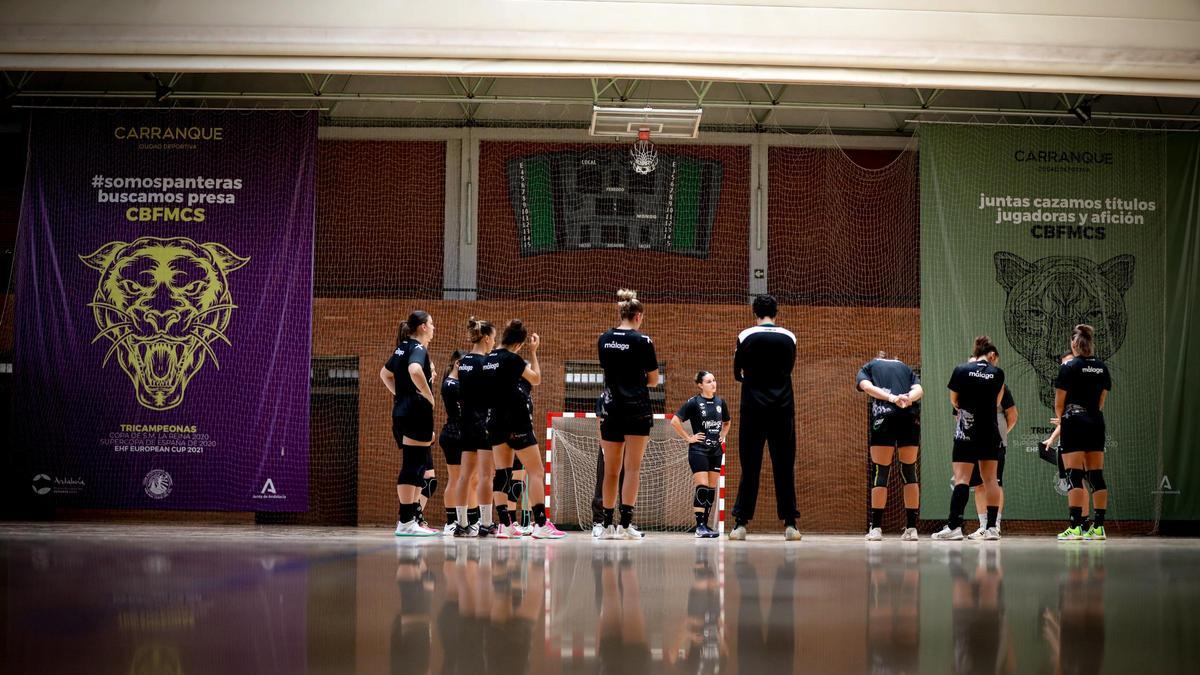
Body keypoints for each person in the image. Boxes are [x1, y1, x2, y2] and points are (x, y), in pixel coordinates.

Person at [729, 294, 801, 541]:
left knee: (750, 466)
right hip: (782, 408)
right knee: (784, 465)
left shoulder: (745, 335)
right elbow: (789, 367)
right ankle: (791, 524)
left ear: (755, 312)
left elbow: (737, 372)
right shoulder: (790, 336)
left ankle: (740, 524)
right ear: (776, 312)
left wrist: (752, 381)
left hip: (753, 410)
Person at [485, 319, 565, 539]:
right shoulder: (513, 359)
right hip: (516, 421)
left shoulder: (488, 359)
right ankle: (540, 525)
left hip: (494, 422)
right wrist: (534, 352)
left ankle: (504, 525)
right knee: (536, 472)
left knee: (502, 473)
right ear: (519, 343)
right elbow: (536, 379)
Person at [597, 289, 660, 540]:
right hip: (637, 409)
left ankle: (606, 525)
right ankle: (626, 526)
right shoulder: (643, 341)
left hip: (611, 408)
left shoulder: (604, 339)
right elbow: (653, 380)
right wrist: (637, 378)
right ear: (638, 316)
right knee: (632, 469)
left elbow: (608, 369)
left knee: (611, 470)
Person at [932, 336, 1005, 541]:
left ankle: (955, 526)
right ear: (991, 355)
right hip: (990, 431)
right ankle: (991, 528)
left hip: (967, 430)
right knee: (991, 479)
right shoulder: (997, 373)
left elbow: (954, 401)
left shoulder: (961, 370)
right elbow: (997, 402)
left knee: (962, 479)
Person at [380, 310, 439, 537]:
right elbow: (414, 370)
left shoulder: (401, 347)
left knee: (417, 466)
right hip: (416, 412)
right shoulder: (418, 348)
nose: (434, 328)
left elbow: (384, 374)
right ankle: (405, 521)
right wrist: (427, 394)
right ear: (423, 327)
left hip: (402, 411)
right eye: (431, 324)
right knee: (413, 465)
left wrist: (401, 395)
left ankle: (410, 519)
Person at [856, 351, 924, 542]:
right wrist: (907, 399)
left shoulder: (869, 366)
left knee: (881, 472)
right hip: (908, 416)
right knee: (910, 472)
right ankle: (912, 529)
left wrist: (892, 398)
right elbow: (919, 390)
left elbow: (867, 387)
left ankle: (876, 528)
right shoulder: (905, 367)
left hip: (884, 416)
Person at [1055, 324, 1112, 541]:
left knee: (1074, 474)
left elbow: (1059, 403)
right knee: (1096, 475)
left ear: (1074, 344)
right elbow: (1101, 402)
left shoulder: (1068, 367)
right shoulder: (1102, 367)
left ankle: (1076, 527)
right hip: (1096, 421)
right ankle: (1098, 527)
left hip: (1074, 421)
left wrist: (1065, 421)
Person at [670, 371, 731, 539]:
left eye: (714, 380)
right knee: (702, 486)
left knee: (711, 489)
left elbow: (727, 422)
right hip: (699, 450)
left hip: (716, 450)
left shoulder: (720, 402)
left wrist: (723, 435)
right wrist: (689, 438)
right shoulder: (694, 402)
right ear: (700, 385)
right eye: (709, 381)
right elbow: (675, 421)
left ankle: (706, 524)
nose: (713, 383)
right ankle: (699, 527)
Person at [967, 351, 1017, 539]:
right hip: (971, 442)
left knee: (994, 482)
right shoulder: (965, 390)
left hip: (994, 443)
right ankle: (982, 526)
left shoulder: (999, 386)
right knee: (978, 485)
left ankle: (994, 525)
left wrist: (999, 435)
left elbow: (1012, 416)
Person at [454, 317, 495, 537]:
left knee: (464, 475)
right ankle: (486, 523)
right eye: (494, 339)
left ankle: (461, 524)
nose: (494, 343)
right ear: (487, 338)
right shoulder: (484, 363)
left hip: (466, 422)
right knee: (486, 476)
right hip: (483, 422)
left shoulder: (464, 362)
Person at [438, 349, 467, 535]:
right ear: (457, 364)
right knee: (455, 479)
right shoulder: (451, 384)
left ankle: (466, 519)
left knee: (464, 479)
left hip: (459, 434)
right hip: (453, 434)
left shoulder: (456, 382)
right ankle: (451, 522)